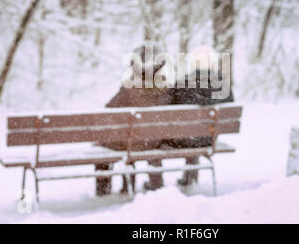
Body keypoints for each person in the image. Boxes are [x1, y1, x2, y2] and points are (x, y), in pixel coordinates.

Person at [96, 42, 173, 196]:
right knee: (144, 140)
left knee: (104, 146)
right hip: (154, 142)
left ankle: (104, 191)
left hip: (130, 143)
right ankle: (156, 183)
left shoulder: (129, 88)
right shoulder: (167, 88)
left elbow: (108, 112)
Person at [169, 45, 234, 186]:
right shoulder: (222, 84)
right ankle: (190, 178)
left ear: (193, 64)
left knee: (190, 131)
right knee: (197, 131)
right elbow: (229, 106)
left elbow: (172, 107)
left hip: (184, 139)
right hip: (209, 138)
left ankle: (189, 177)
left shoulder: (183, 83)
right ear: (213, 63)